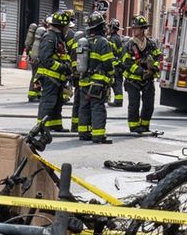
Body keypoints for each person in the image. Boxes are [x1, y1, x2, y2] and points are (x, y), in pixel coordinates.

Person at [78, 12, 115, 144]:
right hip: (98, 82)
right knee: (97, 107)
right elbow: (107, 63)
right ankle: (98, 135)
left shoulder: (84, 41)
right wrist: (111, 74)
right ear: (101, 27)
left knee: (84, 107)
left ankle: (83, 132)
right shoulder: (103, 42)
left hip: (84, 81)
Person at [121, 15, 163, 133]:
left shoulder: (150, 44)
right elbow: (126, 62)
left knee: (148, 104)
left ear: (143, 29)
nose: (134, 30)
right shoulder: (129, 44)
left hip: (148, 79)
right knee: (134, 104)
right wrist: (141, 71)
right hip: (132, 81)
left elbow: (158, 57)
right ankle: (134, 126)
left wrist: (152, 68)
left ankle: (145, 125)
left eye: (136, 28)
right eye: (133, 28)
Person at [35, 11, 73, 132]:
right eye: (67, 26)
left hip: (57, 78)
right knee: (48, 102)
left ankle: (55, 125)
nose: (68, 28)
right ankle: (42, 127)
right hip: (49, 77)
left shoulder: (58, 37)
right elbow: (46, 59)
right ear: (62, 26)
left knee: (57, 103)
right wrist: (62, 68)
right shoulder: (49, 37)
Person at [107, 19, 125, 107]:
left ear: (113, 28)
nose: (108, 29)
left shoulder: (112, 39)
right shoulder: (118, 38)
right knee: (118, 83)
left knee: (116, 83)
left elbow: (111, 53)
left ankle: (118, 101)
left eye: (109, 27)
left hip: (116, 65)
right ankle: (118, 100)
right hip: (119, 64)